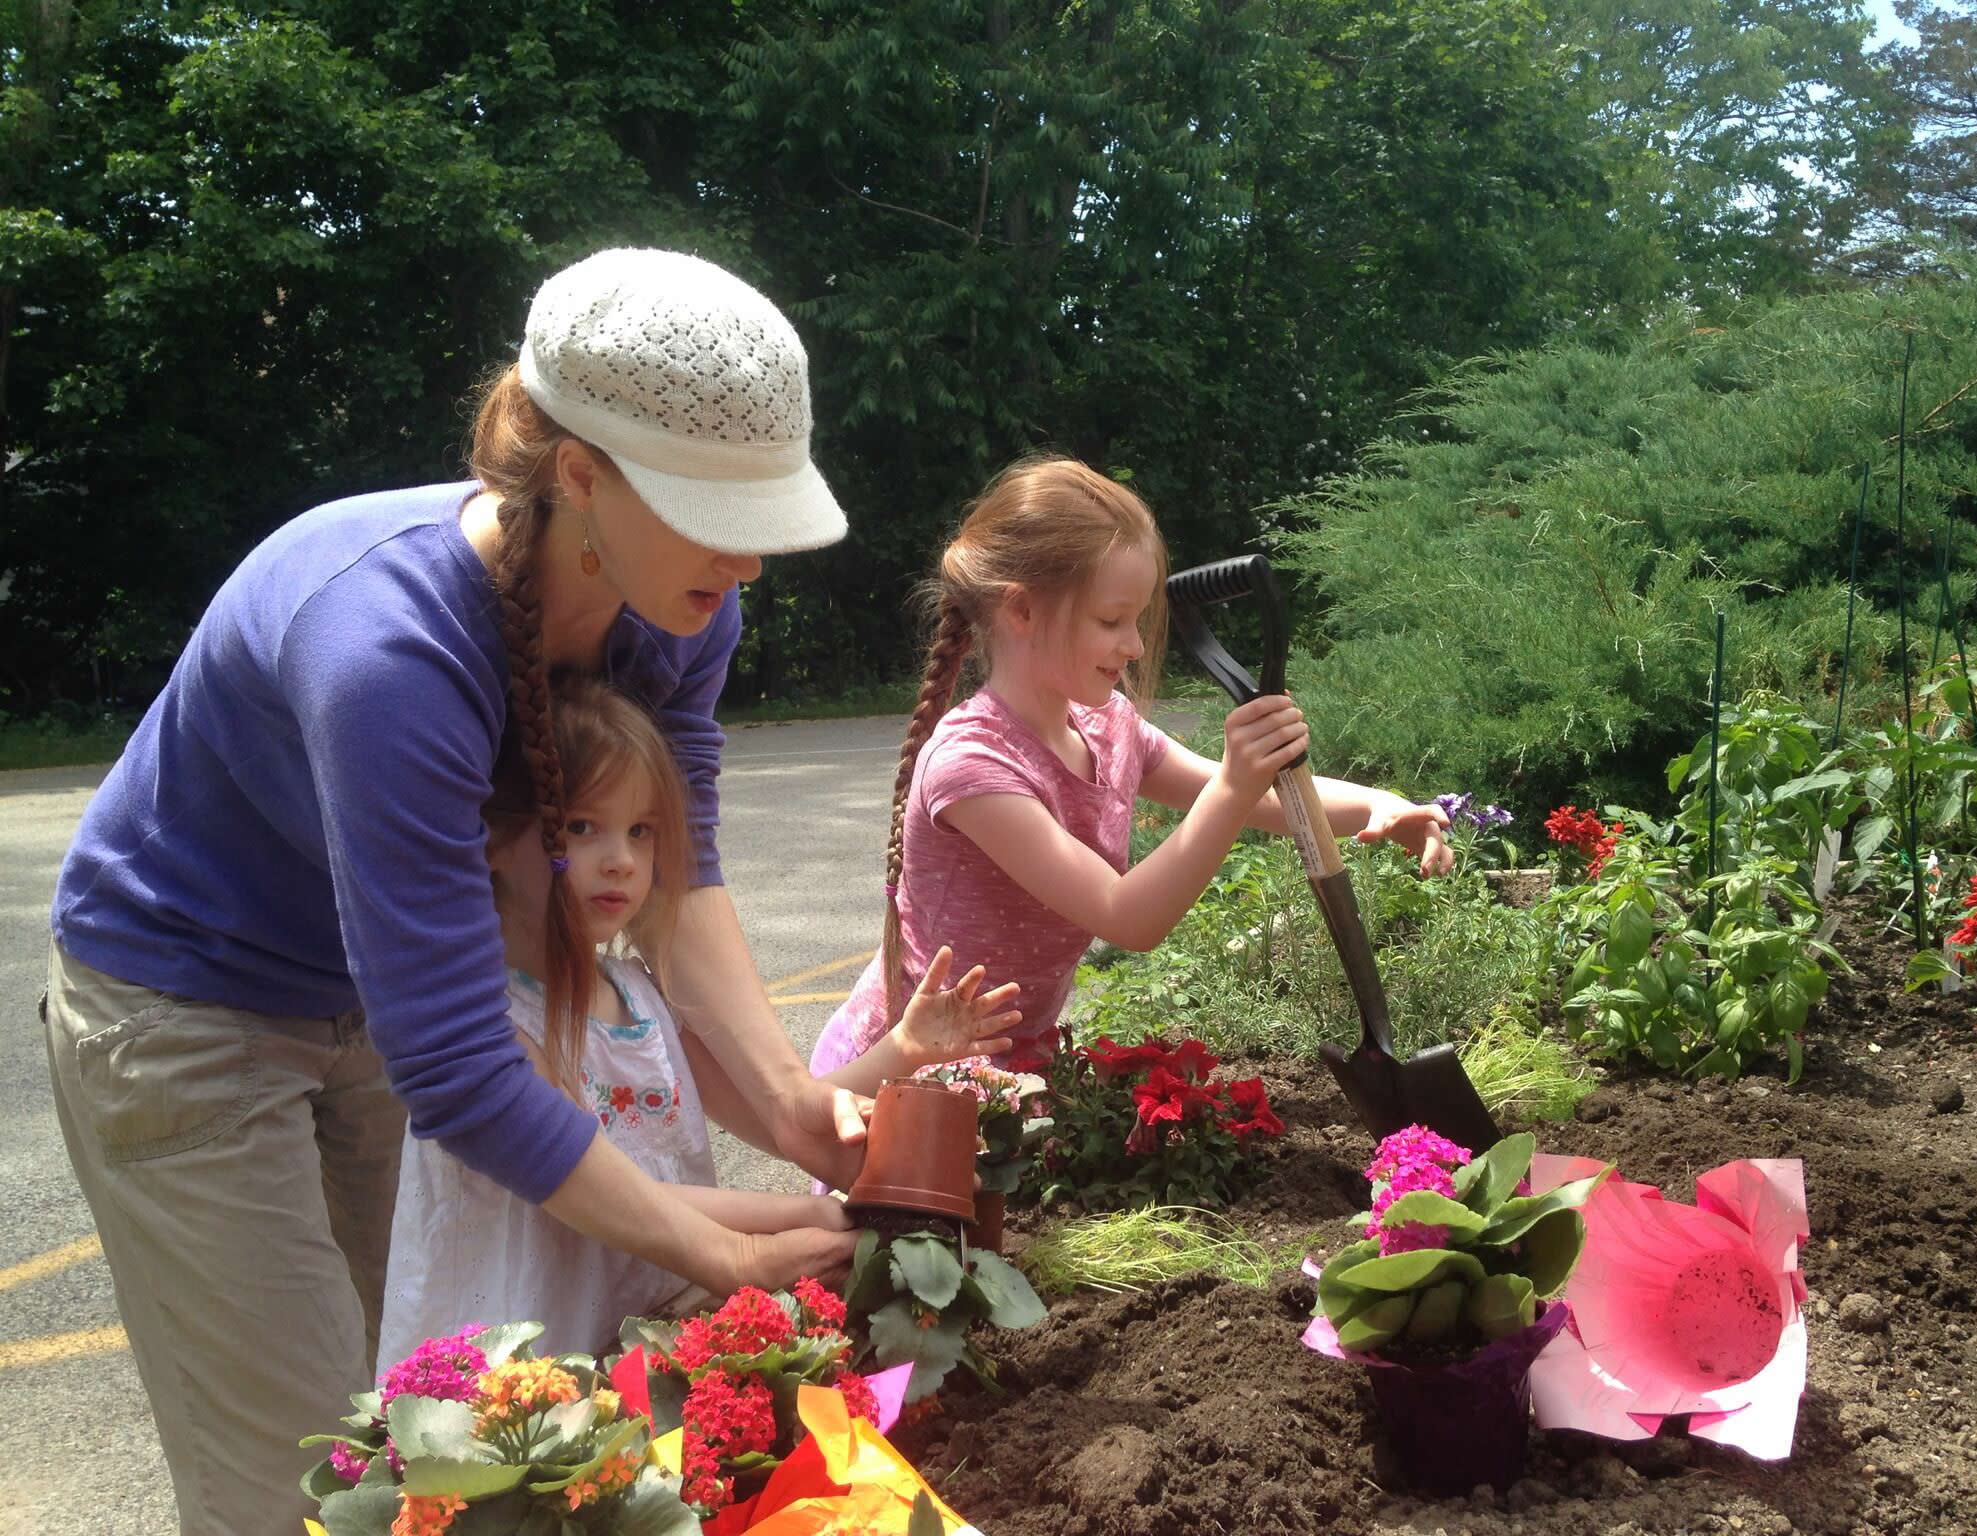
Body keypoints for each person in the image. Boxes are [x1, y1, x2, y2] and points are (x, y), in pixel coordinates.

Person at [43, 248, 877, 1534]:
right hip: (184, 1010)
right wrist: (706, 1254)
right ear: (582, 478)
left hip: (383, 999)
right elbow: (457, 1065)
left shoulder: (688, 609)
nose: (753, 564)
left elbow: (685, 873)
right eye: (723, 517)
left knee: (447, 1405)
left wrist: (785, 1100)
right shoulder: (386, 649)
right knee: (302, 1468)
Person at [377, 673, 1014, 1369]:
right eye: (581, 826)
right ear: (496, 838)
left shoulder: (645, 998)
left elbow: (782, 1115)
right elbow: (618, 1197)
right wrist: (798, 1221)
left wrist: (899, 1050)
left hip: (643, 1327)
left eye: (641, 831)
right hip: (528, 1350)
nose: (620, 860)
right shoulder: (494, 1031)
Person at [811, 456, 1455, 1092]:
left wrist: (1378, 806)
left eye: (1138, 620)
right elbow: (1129, 917)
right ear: (1022, 611)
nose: (1136, 646)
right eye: (1111, 620)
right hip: (904, 1082)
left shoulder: (1106, 726)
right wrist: (1236, 784)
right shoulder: (973, 766)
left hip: (1012, 1069)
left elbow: (1252, 796)